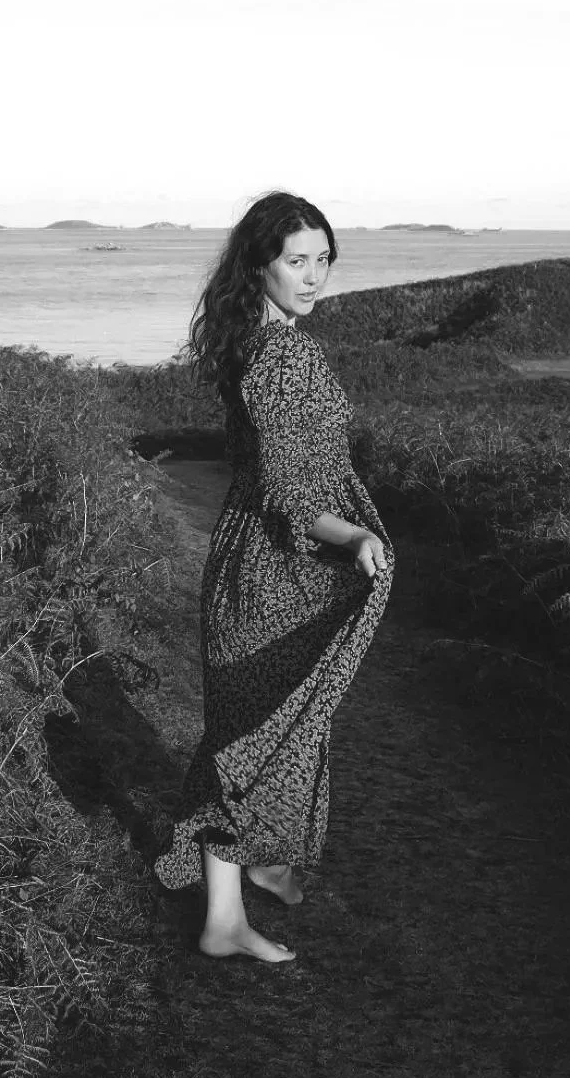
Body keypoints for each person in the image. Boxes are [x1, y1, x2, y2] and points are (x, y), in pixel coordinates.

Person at [153, 190, 395, 962]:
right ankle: (225, 916)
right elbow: (291, 495)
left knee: (277, 726)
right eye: (297, 261)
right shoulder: (283, 355)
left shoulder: (255, 343)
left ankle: (259, 861)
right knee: (260, 737)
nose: (314, 275)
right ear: (259, 263)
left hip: (256, 561)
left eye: (323, 259)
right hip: (271, 570)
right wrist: (351, 532)